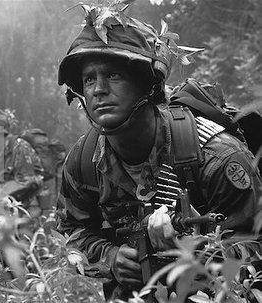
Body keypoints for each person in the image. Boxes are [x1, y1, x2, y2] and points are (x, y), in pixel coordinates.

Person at [55, 4, 262, 301]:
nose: (98, 90)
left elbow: (256, 249)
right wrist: (111, 257)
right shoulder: (83, 161)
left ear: (147, 86)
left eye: (113, 75)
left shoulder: (217, 156)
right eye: (89, 79)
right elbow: (71, 231)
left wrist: (197, 249)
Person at [0, 111, 45, 217]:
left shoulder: (19, 147)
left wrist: (0, 194)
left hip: (25, 211)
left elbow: (28, 182)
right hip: (6, 210)